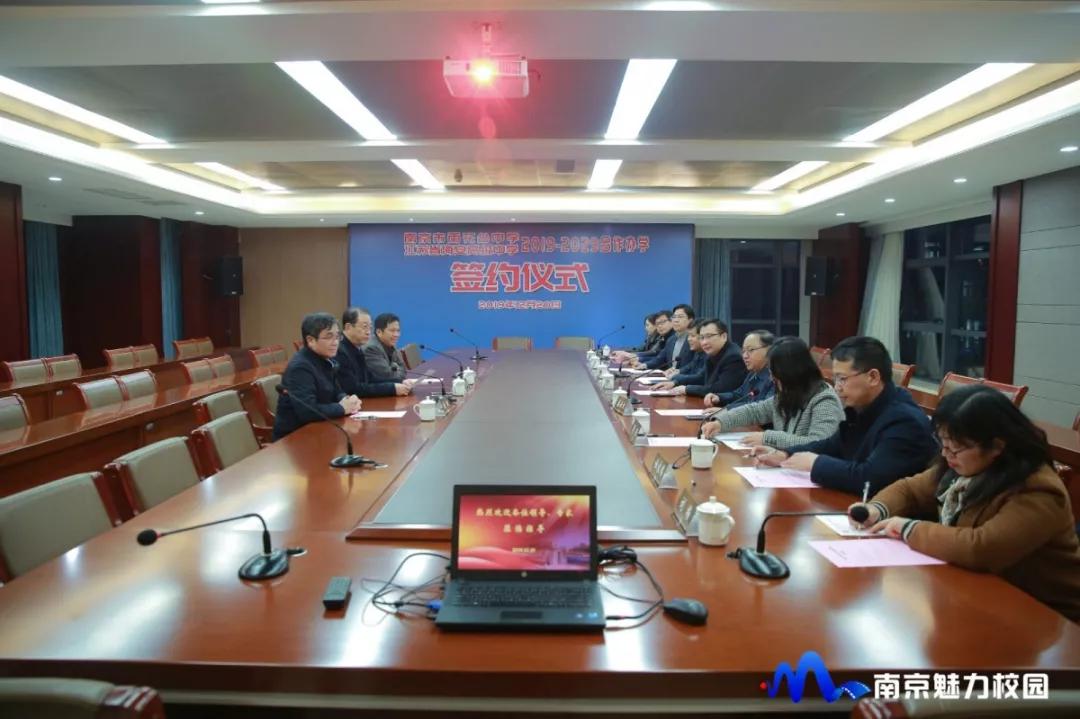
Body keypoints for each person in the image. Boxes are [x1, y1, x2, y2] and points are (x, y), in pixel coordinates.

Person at [849, 385, 1080, 622]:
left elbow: (981, 548)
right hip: (982, 590)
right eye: (943, 442)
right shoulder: (963, 466)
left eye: (955, 447)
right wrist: (877, 508)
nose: (946, 453)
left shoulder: (1037, 488)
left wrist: (908, 529)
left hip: (1046, 612)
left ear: (997, 446)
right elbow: (910, 489)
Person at [752, 336, 937, 496]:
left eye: (842, 379)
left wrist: (816, 464)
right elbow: (832, 445)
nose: (837, 387)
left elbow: (869, 479)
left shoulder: (904, 421)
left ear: (873, 377)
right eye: (835, 379)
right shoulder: (864, 407)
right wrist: (785, 454)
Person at [702, 337, 843, 450]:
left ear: (792, 372)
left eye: (775, 374)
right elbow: (755, 411)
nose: (771, 378)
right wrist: (721, 422)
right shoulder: (789, 392)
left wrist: (767, 438)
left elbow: (818, 444)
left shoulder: (824, 400)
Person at [273, 312, 362, 441]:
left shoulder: (326, 359)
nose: (335, 342)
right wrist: (342, 408)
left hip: (321, 430)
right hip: (295, 439)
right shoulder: (300, 368)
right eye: (329, 337)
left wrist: (347, 399)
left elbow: (336, 390)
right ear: (311, 340)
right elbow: (308, 411)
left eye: (337, 336)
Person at [336, 307, 412, 397]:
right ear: (348, 327)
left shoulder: (356, 347)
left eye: (370, 327)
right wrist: (393, 388)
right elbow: (353, 388)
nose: (368, 332)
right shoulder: (339, 351)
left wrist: (399, 382)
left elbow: (370, 378)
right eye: (364, 327)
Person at [702, 329, 776, 409]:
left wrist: (727, 410)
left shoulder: (776, 377)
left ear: (769, 350)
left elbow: (762, 409)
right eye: (743, 351)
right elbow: (739, 395)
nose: (745, 356)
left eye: (750, 350)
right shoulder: (753, 373)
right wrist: (719, 397)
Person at [682, 319, 746, 398]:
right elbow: (701, 378)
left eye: (709, 336)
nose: (704, 342)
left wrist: (687, 389)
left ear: (724, 336)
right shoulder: (713, 352)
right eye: (701, 338)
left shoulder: (733, 357)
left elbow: (720, 389)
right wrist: (676, 382)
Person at [653, 321, 706, 388]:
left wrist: (676, 377)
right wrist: (678, 371)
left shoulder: (709, 355)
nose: (689, 339)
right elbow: (690, 366)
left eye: (692, 336)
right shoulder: (698, 352)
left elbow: (700, 378)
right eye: (688, 336)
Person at [363, 312, 408, 382]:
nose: (396, 335)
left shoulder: (390, 344)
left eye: (398, 331)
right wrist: (395, 368)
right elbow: (388, 376)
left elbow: (403, 369)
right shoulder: (371, 348)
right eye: (392, 330)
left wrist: (394, 369)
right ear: (379, 332)